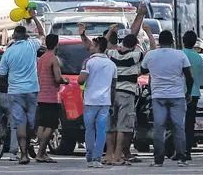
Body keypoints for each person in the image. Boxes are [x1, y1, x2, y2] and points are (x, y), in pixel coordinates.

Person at [101, 11, 155, 166]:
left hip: (111, 94)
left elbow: (103, 47)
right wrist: (149, 32)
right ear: (134, 46)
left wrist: (111, 31)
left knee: (110, 126)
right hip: (127, 94)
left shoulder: (111, 54)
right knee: (123, 126)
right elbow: (153, 50)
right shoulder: (136, 56)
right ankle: (119, 155)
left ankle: (109, 155)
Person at [0, 12, 46, 165]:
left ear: (13, 38)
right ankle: (32, 141)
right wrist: (34, 18)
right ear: (25, 36)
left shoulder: (8, 53)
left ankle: (23, 155)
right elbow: (42, 34)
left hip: (15, 92)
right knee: (32, 122)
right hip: (32, 90)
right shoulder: (32, 45)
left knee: (19, 123)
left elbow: (1, 74)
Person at [142, 30, 193, 168]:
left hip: (158, 96)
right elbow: (189, 76)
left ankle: (158, 160)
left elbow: (142, 69)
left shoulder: (151, 55)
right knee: (179, 127)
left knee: (159, 127)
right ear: (172, 42)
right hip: (177, 95)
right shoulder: (180, 54)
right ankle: (182, 158)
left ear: (159, 42)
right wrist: (188, 93)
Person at [78, 36, 117, 168]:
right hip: (105, 102)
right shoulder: (112, 64)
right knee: (101, 130)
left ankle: (89, 156)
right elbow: (113, 86)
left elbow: (80, 80)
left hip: (90, 101)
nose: (90, 47)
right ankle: (97, 158)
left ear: (98, 47)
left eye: (93, 45)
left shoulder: (88, 62)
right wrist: (111, 102)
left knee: (90, 129)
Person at [35, 33, 69, 163]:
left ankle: (41, 152)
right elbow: (57, 78)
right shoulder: (53, 59)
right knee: (51, 125)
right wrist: (65, 81)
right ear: (56, 44)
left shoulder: (42, 58)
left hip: (41, 95)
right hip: (51, 97)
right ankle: (41, 152)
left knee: (42, 124)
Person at [181, 30, 203, 162]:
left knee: (178, 123)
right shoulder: (198, 57)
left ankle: (179, 149)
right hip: (194, 93)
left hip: (181, 93)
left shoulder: (180, 55)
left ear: (183, 41)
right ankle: (187, 150)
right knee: (190, 124)